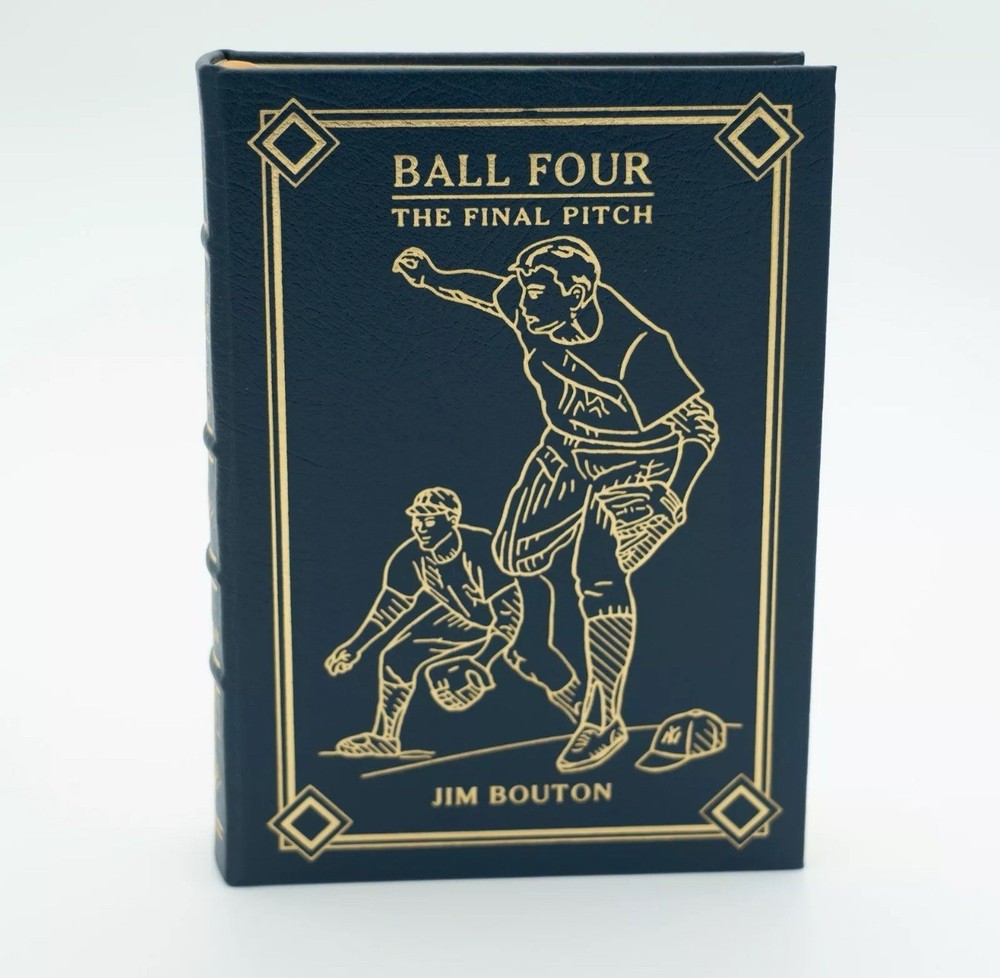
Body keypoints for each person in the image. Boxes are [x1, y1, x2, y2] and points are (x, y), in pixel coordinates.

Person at [392, 237, 719, 773]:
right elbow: (484, 291)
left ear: (579, 293)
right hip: (565, 451)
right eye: (523, 288)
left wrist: (671, 495)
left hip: (638, 463)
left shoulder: (637, 348)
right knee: (511, 556)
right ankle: (539, 639)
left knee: (597, 573)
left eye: (537, 291)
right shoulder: (528, 306)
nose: (523, 301)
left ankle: (603, 716)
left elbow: (700, 427)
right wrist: (431, 276)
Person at [325, 487, 580, 756]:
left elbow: (508, 616)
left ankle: (585, 713)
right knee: (397, 657)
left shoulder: (481, 550)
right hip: (467, 611)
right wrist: (355, 646)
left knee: (527, 654)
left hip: (526, 596)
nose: (420, 527)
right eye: (417, 519)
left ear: (451, 520)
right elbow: (389, 607)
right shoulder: (410, 557)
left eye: (429, 519)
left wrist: (480, 662)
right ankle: (384, 738)